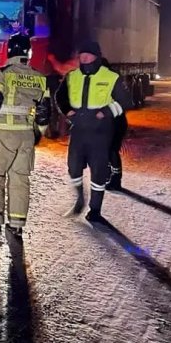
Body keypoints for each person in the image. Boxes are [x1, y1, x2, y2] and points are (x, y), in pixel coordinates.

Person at [0, 33, 51, 237]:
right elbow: (44, 112)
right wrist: (38, 133)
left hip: (4, 135)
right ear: (29, 53)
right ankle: (16, 224)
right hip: (26, 137)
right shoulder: (40, 78)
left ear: (10, 50)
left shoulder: (2, 73)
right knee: (20, 178)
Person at [56, 41, 132, 222]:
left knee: (98, 171)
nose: (84, 58)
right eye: (81, 55)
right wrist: (67, 111)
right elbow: (60, 96)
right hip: (79, 129)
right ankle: (79, 198)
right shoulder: (72, 76)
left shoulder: (111, 76)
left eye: (88, 55)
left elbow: (126, 100)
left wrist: (105, 112)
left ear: (96, 57)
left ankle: (95, 210)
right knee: (73, 167)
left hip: (101, 131)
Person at [100, 58, 128, 191]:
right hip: (106, 123)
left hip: (116, 123)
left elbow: (125, 101)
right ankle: (107, 175)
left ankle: (116, 179)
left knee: (111, 150)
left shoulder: (113, 81)